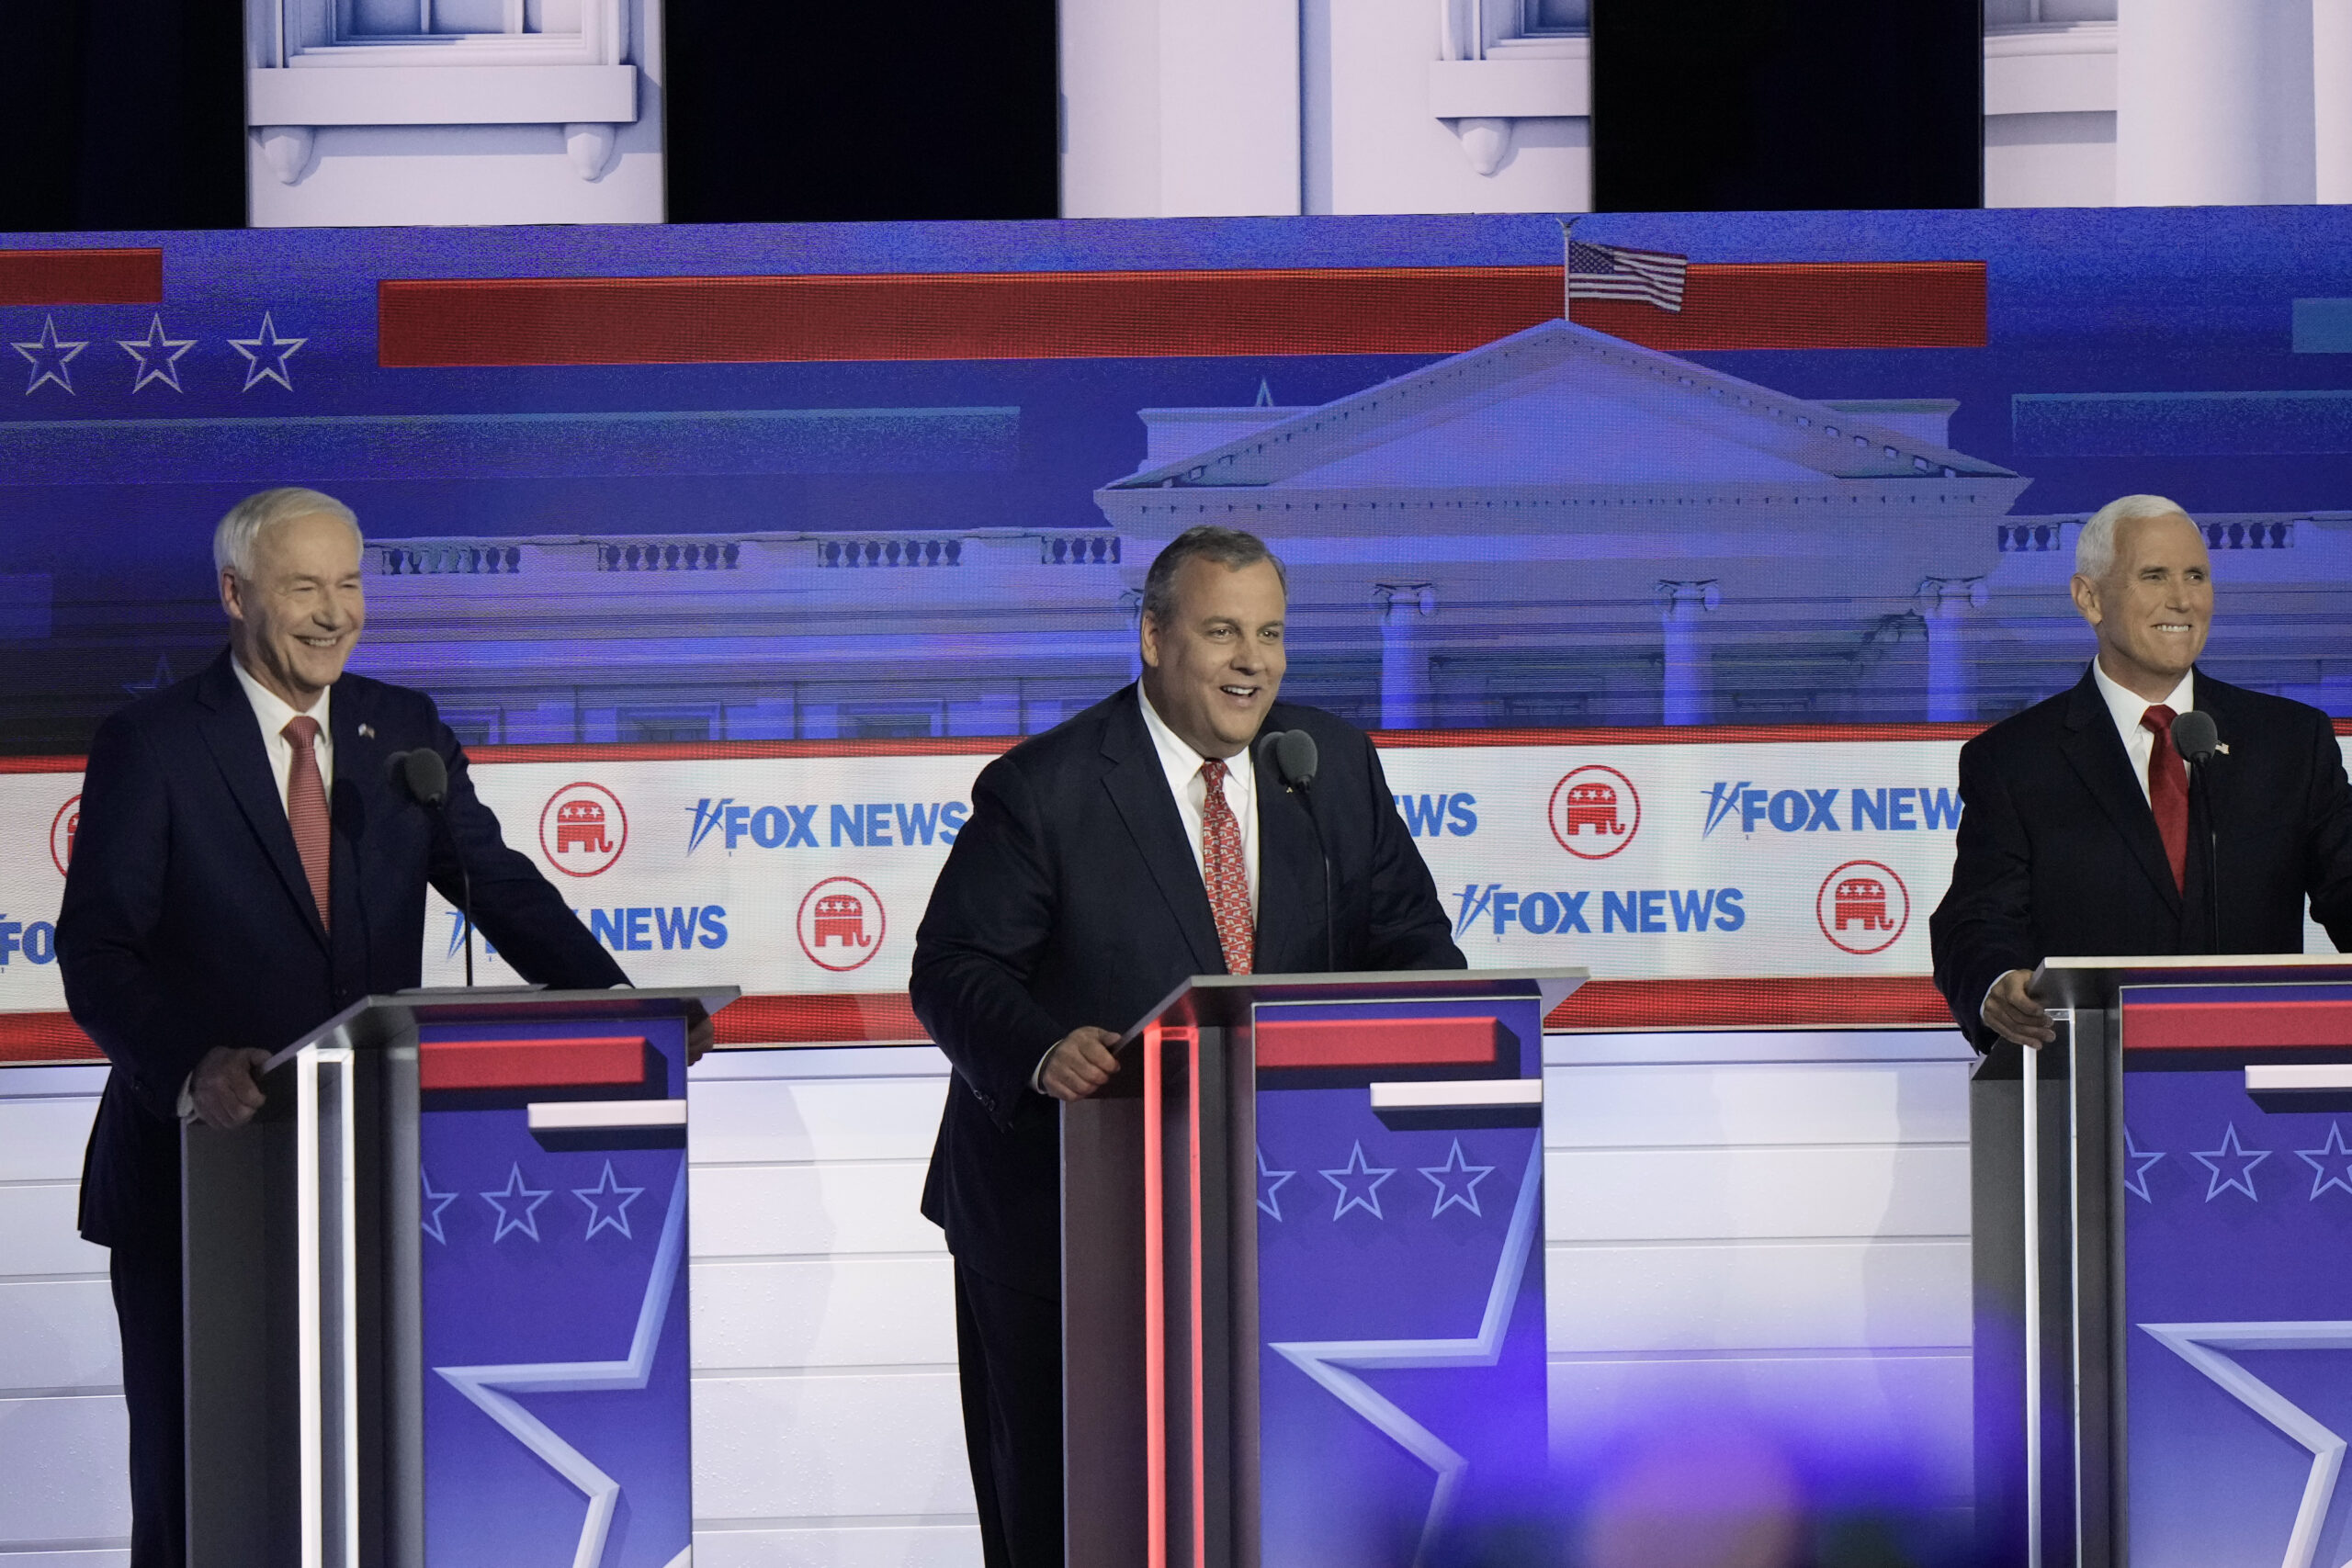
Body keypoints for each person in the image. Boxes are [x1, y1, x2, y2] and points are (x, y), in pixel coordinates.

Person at [58, 488, 637, 1568]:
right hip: (200, 1173)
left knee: (359, 1484)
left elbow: (500, 888)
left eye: (350, 584)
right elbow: (97, 950)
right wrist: (191, 1066)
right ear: (235, 595)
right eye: (303, 588)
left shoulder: (401, 734)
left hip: (365, 1175)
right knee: (202, 1489)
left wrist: (621, 1011)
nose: (335, 614)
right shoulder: (153, 742)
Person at [909, 525, 1464, 1567]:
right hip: (1063, 1226)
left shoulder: (1327, 766)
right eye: (1222, 632)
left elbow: (1414, 944)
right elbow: (951, 968)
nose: (1254, 661)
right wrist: (1041, 1049)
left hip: (1285, 1217)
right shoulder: (1047, 787)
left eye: (1271, 634)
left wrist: (1449, 1024)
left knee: (1261, 1510)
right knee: (1067, 1523)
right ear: (1155, 638)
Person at [1930, 492, 2352, 1050]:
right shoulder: (2014, 759)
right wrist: (1998, 983)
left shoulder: (2291, 741)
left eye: (2196, 576)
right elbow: (1978, 919)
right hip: (2090, 1072)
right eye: (2154, 577)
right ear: (2089, 599)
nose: (2182, 599)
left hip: (2260, 1069)